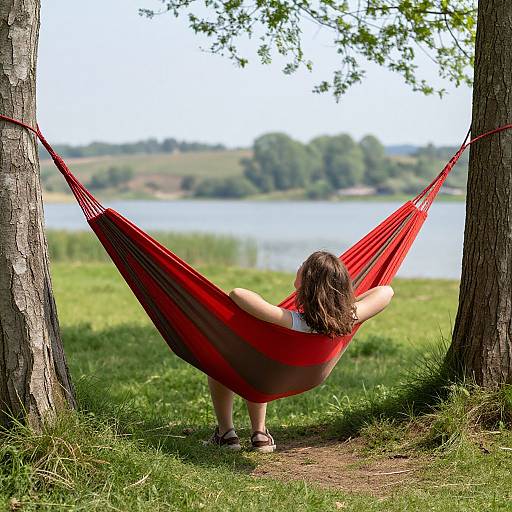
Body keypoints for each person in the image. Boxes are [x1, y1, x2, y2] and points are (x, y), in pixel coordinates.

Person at [207, 250, 394, 453]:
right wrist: (341, 308)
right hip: (311, 378)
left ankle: (226, 433)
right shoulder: (347, 319)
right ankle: (259, 435)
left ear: (304, 282)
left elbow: (238, 294)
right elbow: (385, 291)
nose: (299, 266)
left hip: (269, 376)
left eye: (303, 265)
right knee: (261, 359)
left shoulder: (290, 320)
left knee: (224, 359)